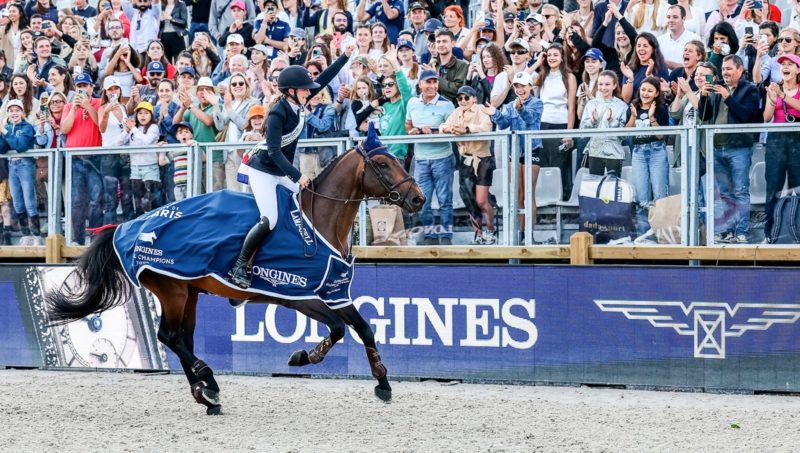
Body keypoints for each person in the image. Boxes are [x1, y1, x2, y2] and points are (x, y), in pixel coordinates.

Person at [226, 43, 353, 290]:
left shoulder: (298, 102)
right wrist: (297, 176)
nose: (310, 92)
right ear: (292, 91)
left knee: (303, 207)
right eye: (305, 90)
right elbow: (273, 151)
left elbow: (323, 80)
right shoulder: (277, 113)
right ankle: (240, 265)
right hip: (263, 171)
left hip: (279, 171)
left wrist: (344, 57)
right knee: (270, 219)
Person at [698, 54, 761, 244]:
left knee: (740, 191)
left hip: (739, 147)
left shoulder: (749, 89)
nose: (725, 72)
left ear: (740, 69)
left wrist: (727, 98)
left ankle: (741, 232)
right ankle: (728, 231)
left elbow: (747, 116)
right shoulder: (718, 89)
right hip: (717, 147)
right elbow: (704, 116)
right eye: (723, 69)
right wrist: (703, 97)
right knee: (724, 193)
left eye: (729, 69)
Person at [486, 71, 543, 235]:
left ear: (530, 86)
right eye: (517, 86)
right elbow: (503, 124)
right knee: (517, 192)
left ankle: (529, 234)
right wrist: (495, 113)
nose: (520, 89)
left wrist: (520, 109)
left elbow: (531, 119)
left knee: (528, 191)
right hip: (515, 151)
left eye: (523, 86)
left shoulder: (537, 103)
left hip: (532, 149)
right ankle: (519, 233)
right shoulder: (510, 105)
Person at [405, 69, 456, 245]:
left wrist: (432, 130)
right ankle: (430, 234)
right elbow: (408, 125)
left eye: (435, 82)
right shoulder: (412, 103)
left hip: (442, 157)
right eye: (428, 82)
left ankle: (446, 236)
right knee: (423, 201)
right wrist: (413, 131)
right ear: (420, 84)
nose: (432, 86)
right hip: (421, 159)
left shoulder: (447, 105)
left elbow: (454, 129)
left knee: (444, 200)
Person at [440, 86, 496, 245]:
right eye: (460, 98)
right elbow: (442, 127)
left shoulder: (481, 109)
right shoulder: (456, 112)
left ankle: (491, 230)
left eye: (466, 97)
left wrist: (466, 129)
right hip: (465, 161)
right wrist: (450, 128)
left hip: (483, 160)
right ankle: (478, 234)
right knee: (469, 200)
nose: (463, 101)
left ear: (474, 98)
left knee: (481, 200)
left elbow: (487, 127)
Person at [762, 54, 800, 242]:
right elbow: (766, 118)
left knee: (798, 187)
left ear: (798, 70)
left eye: (790, 64)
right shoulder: (775, 88)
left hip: (797, 141)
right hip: (776, 141)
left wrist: (783, 96)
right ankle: (770, 233)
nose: (785, 67)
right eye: (783, 64)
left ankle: (797, 233)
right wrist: (771, 98)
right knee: (773, 188)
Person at [62, 72, 103, 246]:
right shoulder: (69, 106)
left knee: (96, 200)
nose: (82, 89)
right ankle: (76, 239)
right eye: (79, 86)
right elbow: (64, 129)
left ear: (92, 88)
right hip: (76, 158)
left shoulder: (99, 102)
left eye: (85, 85)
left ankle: (95, 239)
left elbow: (101, 124)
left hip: (95, 158)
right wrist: (73, 108)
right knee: (77, 202)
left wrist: (87, 106)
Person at [626, 76, 669, 232]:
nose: (645, 93)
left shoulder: (661, 109)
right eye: (643, 90)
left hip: (656, 150)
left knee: (659, 194)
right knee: (641, 196)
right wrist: (633, 116)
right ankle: (643, 232)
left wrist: (651, 117)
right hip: (638, 152)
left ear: (657, 93)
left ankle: (662, 231)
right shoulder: (634, 107)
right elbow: (627, 130)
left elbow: (661, 136)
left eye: (650, 91)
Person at [0, 99, 38, 245]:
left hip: (25, 165)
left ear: (22, 112)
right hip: (12, 165)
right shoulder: (8, 127)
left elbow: (20, 145)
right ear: (8, 113)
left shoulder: (27, 127)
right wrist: (2, 132)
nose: (14, 113)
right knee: (17, 203)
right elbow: (2, 148)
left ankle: (36, 235)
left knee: (29, 201)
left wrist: (4, 132)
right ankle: (26, 234)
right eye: (11, 111)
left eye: (17, 110)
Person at [579, 70, 629, 176]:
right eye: (600, 84)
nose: (603, 88)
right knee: (594, 187)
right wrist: (593, 121)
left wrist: (611, 121)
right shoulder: (591, 104)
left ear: (614, 85)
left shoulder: (622, 106)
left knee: (612, 186)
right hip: (594, 152)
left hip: (614, 154)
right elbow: (582, 132)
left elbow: (624, 136)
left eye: (607, 84)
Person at [127, 101, 162, 216]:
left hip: (150, 168)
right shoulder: (134, 130)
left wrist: (133, 129)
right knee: (138, 202)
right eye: (140, 113)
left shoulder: (154, 127)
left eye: (146, 113)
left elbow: (146, 141)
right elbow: (118, 143)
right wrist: (126, 131)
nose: (142, 115)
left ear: (151, 115)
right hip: (135, 168)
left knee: (151, 201)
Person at [657, 5, 701, 69]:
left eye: (675, 17)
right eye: (668, 17)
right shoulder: (659, 40)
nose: (671, 20)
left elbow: (697, 66)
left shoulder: (694, 39)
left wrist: (665, 63)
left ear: (683, 19)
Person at [170, 121, 194, 201]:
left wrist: (195, 143)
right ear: (177, 136)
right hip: (178, 185)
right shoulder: (175, 151)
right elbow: (162, 162)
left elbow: (204, 158)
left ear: (191, 135)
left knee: (191, 206)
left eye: (186, 132)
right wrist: (162, 148)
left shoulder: (194, 147)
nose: (183, 134)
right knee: (180, 208)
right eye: (180, 132)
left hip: (190, 184)